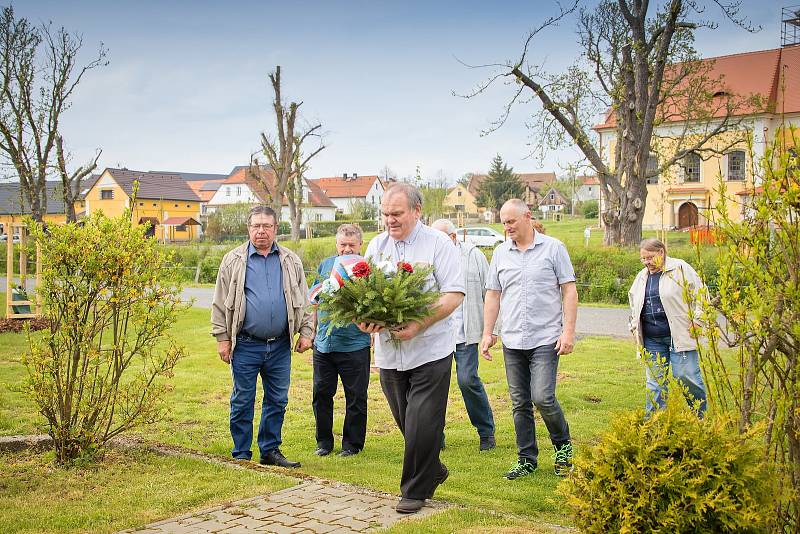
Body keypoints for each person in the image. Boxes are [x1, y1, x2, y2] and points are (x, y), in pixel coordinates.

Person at [358, 183, 464, 514]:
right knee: (407, 421)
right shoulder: (376, 246)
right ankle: (433, 468)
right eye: (385, 213)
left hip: (431, 348)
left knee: (422, 419)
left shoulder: (438, 245)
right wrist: (364, 321)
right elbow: (363, 293)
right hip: (389, 352)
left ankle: (414, 491)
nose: (390, 219)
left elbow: (454, 293)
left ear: (416, 211)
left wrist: (420, 323)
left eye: (397, 213)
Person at [481, 198, 578, 480]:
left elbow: (569, 291)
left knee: (543, 397)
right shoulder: (500, 253)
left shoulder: (553, 248)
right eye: (503, 222)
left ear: (527, 216)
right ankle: (526, 458)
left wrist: (568, 332)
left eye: (511, 221)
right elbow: (493, 295)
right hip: (512, 340)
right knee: (519, 402)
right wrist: (488, 332)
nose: (507, 227)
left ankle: (563, 448)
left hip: (545, 337)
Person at [211, 205, 313, 468]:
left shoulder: (290, 260)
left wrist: (306, 331)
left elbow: (303, 298)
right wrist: (223, 338)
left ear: (276, 228)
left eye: (266, 226)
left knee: (277, 399)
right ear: (248, 228)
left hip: (279, 345)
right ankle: (241, 453)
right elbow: (220, 302)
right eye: (256, 226)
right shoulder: (233, 260)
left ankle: (270, 450)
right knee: (243, 399)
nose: (261, 231)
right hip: (245, 344)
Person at [431, 218, 496, 451]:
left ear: (453, 237)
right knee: (435, 387)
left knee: (467, 380)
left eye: (441, 238)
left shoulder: (474, 256)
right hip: (437, 335)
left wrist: (491, 329)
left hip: (466, 334)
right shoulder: (428, 257)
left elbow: (491, 292)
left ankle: (486, 431)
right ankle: (435, 437)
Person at [311, 224, 372, 458]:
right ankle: (324, 442)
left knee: (356, 396)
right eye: (342, 245)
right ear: (337, 245)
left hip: (354, 344)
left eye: (351, 245)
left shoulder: (366, 268)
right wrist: (313, 333)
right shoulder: (326, 265)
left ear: (360, 246)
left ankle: (352, 445)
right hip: (324, 343)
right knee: (321, 394)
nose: (347, 249)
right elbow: (315, 300)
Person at [628, 238, 707, 416]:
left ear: (662, 252)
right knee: (655, 383)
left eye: (650, 257)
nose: (647, 262)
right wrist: (633, 327)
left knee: (685, 377)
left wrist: (698, 320)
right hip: (652, 340)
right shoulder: (642, 277)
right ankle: (654, 425)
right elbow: (634, 304)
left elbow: (702, 294)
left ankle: (701, 417)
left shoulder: (680, 269)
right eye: (643, 259)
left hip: (679, 335)